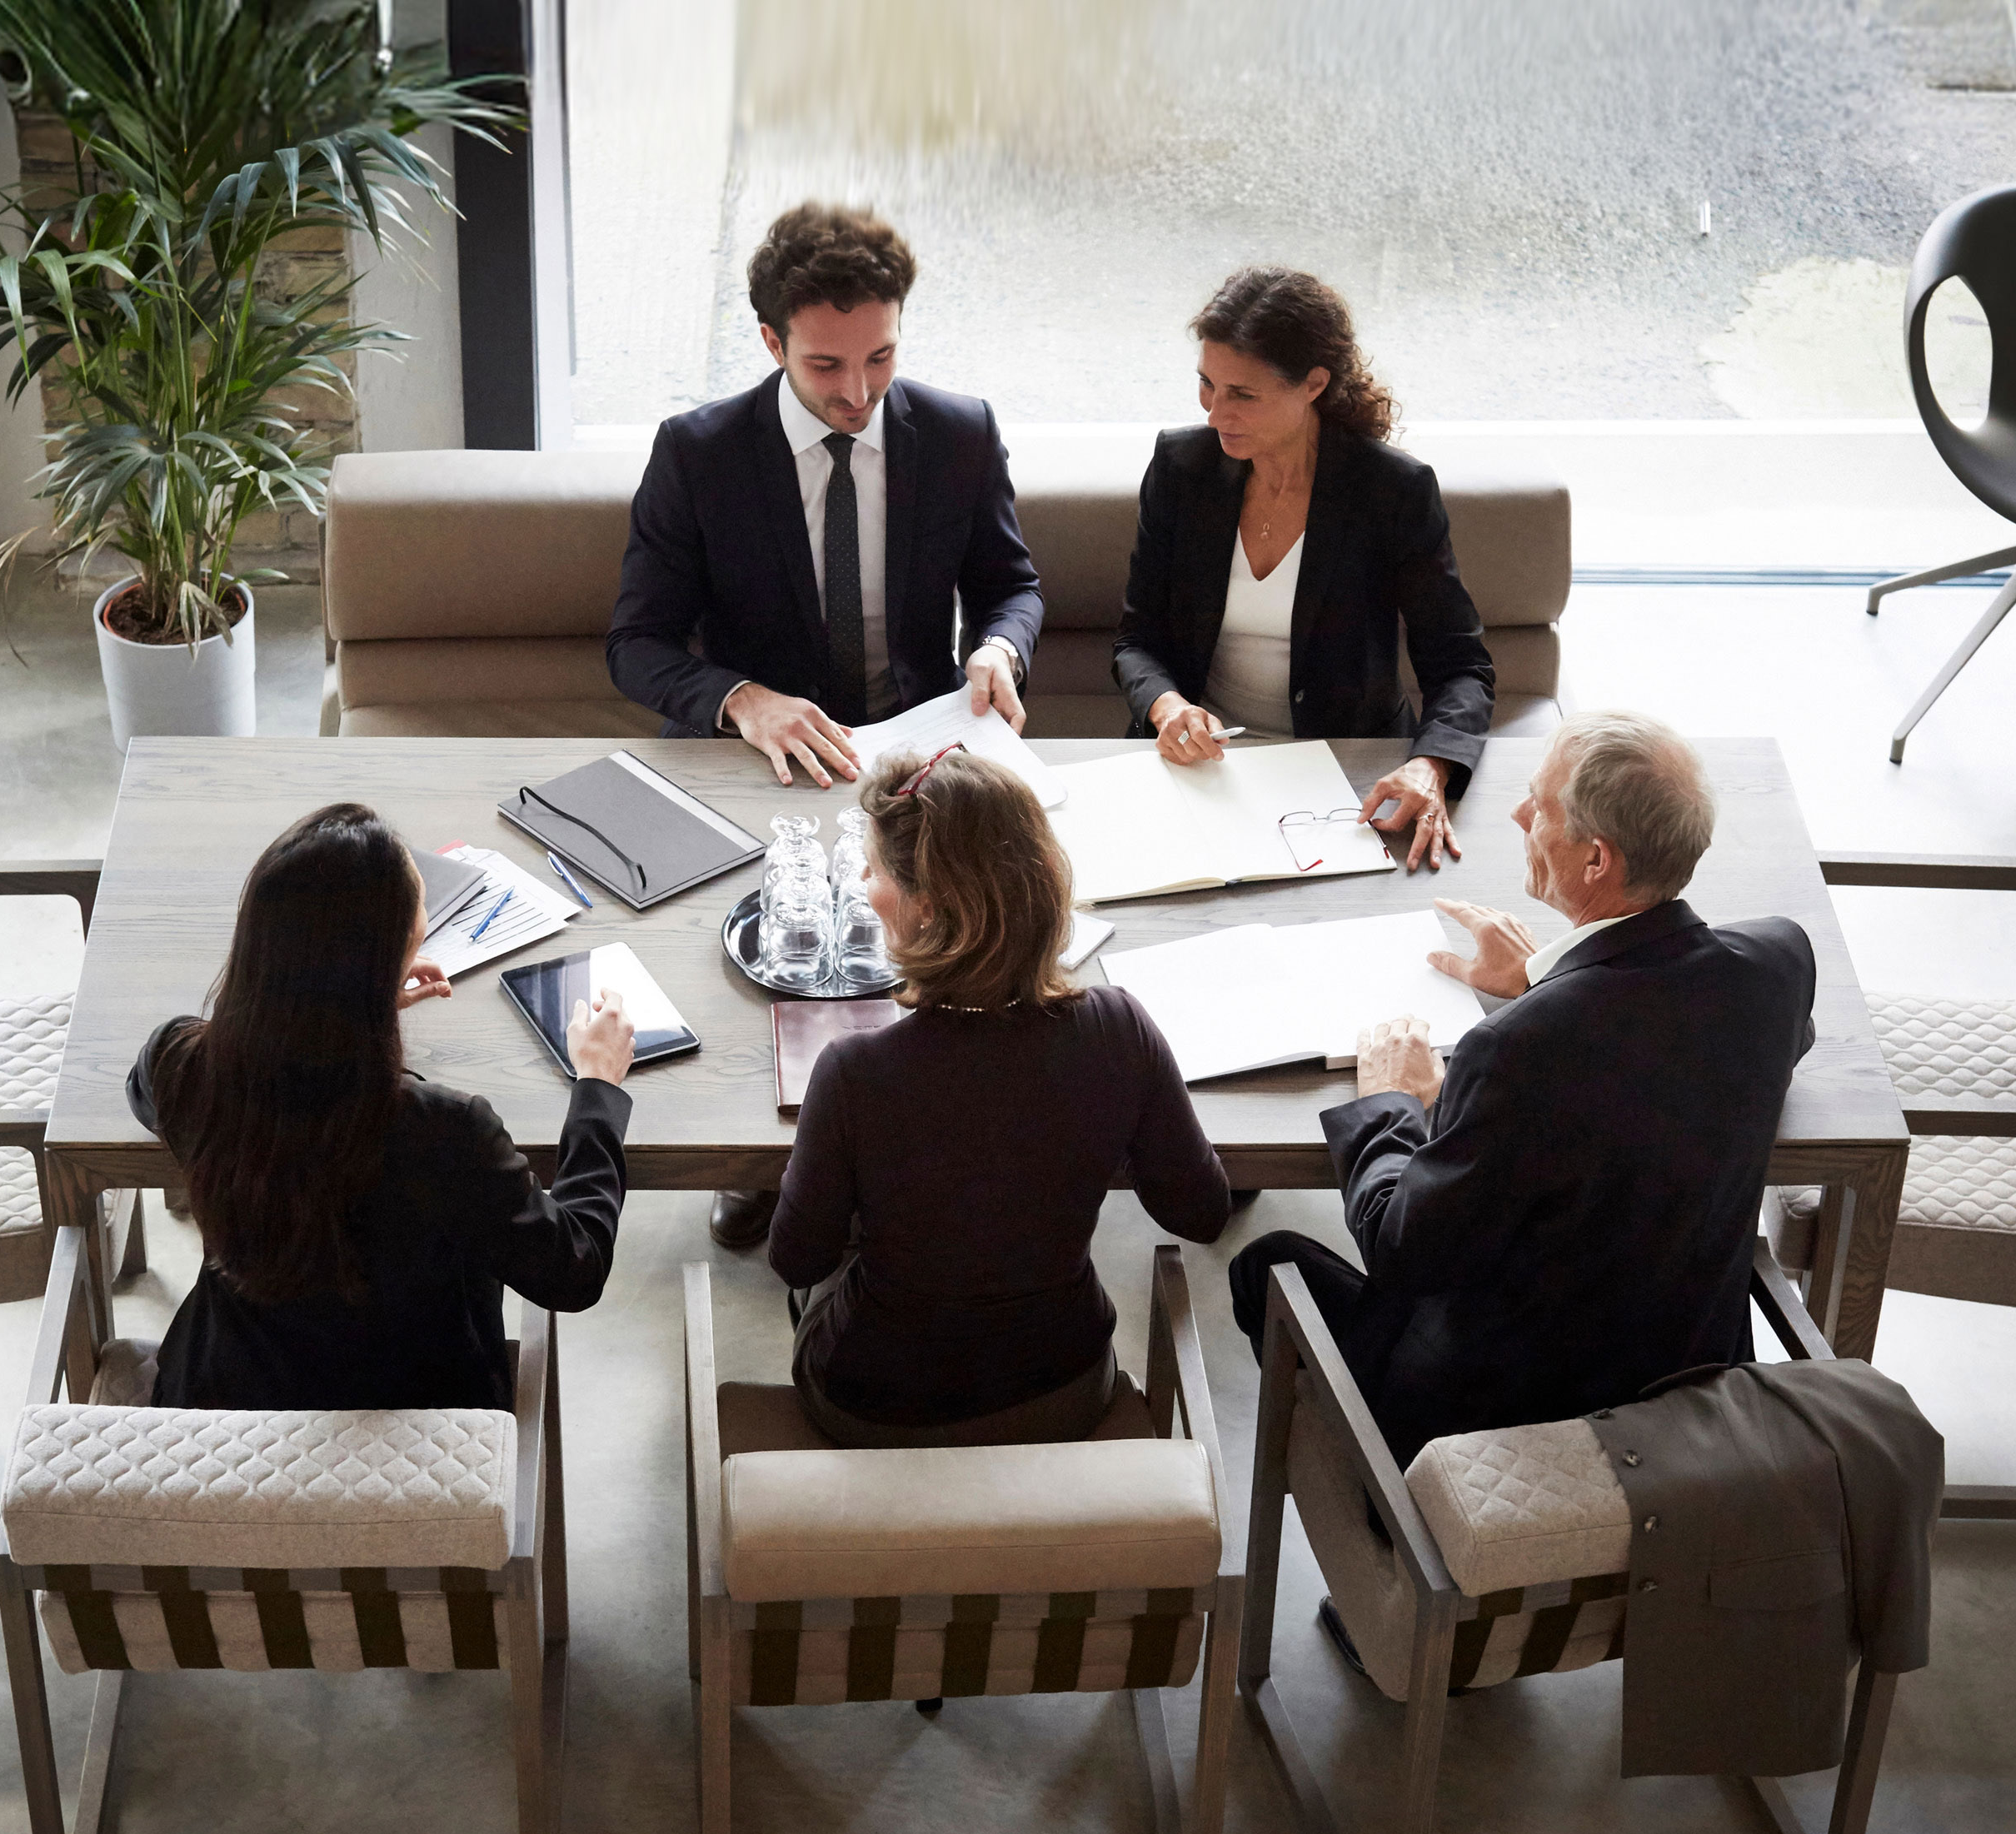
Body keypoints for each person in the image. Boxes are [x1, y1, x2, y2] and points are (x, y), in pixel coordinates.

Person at [608, 201, 1045, 1250]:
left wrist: (998, 649)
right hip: (765, 768)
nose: (858, 393)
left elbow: (1012, 586)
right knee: (786, 953)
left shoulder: (958, 431)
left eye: (881, 359)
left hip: (919, 751)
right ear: (771, 343)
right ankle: (777, 1162)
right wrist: (741, 698)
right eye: (826, 368)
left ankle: (919, 1145)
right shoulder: (698, 452)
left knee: (948, 946)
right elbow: (635, 643)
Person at [1225, 713, 1815, 1477]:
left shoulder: (1515, 1053)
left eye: (1537, 806)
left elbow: (1400, 1249)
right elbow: (1687, 1048)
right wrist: (1550, 979)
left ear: (1597, 859)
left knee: (1265, 1264)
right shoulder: (1777, 961)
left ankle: (1393, 1552)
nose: (1516, 815)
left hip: (1504, 1431)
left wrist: (1396, 1102)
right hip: (1694, 1382)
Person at [769, 745, 1231, 1447]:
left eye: (875, 869)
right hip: (1063, 1388)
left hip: (875, 1404)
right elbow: (1200, 1213)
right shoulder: (1119, 1028)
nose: (864, 882)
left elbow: (796, 1261)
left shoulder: (853, 1070)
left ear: (927, 908)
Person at [127, 803, 637, 1411]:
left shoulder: (179, 1065)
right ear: (385, 963)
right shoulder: (445, 1132)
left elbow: (151, 1093)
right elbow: (574, 1270)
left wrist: (326, 1013)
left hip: (229, 1408)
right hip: (419, 1426)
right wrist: (598, 1088)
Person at [1112, 267, 1495, 874]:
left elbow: (1461, 666)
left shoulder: (1391, 490)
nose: (1216, 414)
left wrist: (1433, 763)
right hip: (1199, 771)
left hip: (1344, 775)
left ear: (1313, 384)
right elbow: (1138, 640)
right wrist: (1167, 708)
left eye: (1243, 394)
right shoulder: (1180, 468)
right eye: (1207, 385)